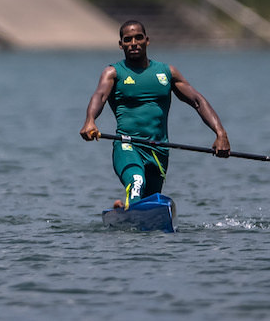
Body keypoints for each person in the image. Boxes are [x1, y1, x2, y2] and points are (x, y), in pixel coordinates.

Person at [80, 20, 230, 208]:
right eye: (127, 39)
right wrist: (90, 120)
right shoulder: (113, 72)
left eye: (138, 38)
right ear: (121, 45)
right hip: (127, 145)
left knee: (148, 201)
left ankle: (123, 208)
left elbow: (197, 101)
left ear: (147, 40)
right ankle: (129, 208)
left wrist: (220, 133)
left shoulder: (168, 72)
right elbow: (100, 96)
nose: (133, 43)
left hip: (159, 150)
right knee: (136, 182)